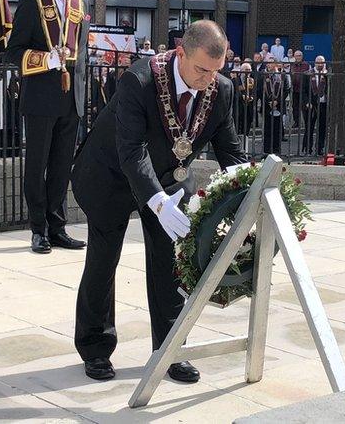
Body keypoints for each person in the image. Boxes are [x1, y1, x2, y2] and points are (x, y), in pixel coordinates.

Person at [72, 20, 247, 382]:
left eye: (216, 71)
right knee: (104, 260)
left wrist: (250, 186)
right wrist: (157, 201)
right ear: (181, 52)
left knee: (170, 266)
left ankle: (169, 349)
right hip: (110, 176)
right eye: (201, 69)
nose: (207, 79)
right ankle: (95, 347)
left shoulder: (221, 89)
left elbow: (229, 150)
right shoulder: (140, 81)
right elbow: (131, 152)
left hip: (171, 178)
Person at [5, 0, 88, 254]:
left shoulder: (81, 2)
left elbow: (83, 54)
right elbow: (13, 52)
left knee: (61, 166)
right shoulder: (32, 1)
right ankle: (38, 230)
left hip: (71, 98)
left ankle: (58, 228)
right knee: (37, 165)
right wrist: (48, 59)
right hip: (41, 96)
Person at [262, 57, 288, 155]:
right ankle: (267, 150)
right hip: (267, 105)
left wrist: (277, 101)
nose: (268, 65)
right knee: (267, 128)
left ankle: (276, 150)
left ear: (276, 64)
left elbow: (286, 90)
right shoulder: (264, 75)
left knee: (277, 128)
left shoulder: (282, 76)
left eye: (271, 63)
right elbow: (261, 90)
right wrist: (268, 101)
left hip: (279, 105)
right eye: (267, 63)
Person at [303, 56, 329, 155]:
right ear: (314, 63)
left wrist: (326, 76)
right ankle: (307, 148)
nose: (320, 65)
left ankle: (319, 148)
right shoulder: (308, 74)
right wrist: (307, 102)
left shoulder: (326, 74)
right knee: (309, 127)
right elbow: (304, 90)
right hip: (311, 105)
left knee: (322, 127)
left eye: (322, 63)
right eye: (318, 62)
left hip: (323, 104)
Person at [289, 50, 310, 129]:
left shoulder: (306, 65)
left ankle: (306, 122)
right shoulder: (293, 65)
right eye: (296, 56)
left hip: (304, 90)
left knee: (304, 107)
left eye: (299, 56)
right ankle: (297, 122)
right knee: (295, 107)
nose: (298, 57)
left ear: (302, 56)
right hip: (295, 89)